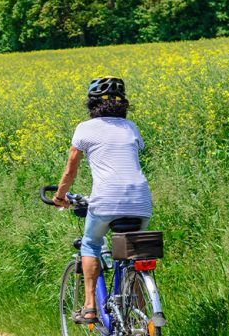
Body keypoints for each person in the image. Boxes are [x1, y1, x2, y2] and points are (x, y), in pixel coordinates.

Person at [52, 77, 152, 325]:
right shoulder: (131, 127)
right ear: (123, 104)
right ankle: (138, 311)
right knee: (134, 254)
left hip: (106, 200)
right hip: (140, 200)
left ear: (92, 104)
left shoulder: (85, 128)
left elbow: (70, 171)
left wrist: (60, 196)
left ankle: (88, 307)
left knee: (90, 244)